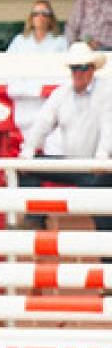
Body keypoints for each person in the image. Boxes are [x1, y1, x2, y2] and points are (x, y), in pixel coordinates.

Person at [19, 43, 112, 230]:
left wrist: (102, 158)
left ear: (92, 70)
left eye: (82, 68)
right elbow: (42, 123)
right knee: (29, 167)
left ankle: (106, 243)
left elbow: (108, 127)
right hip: (73, 163)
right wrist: (28, 151)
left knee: (103, 210)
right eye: (74, 68)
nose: (78, 73)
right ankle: (35, 221)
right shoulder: (61, 94)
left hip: (101, 166)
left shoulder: (107, 91)